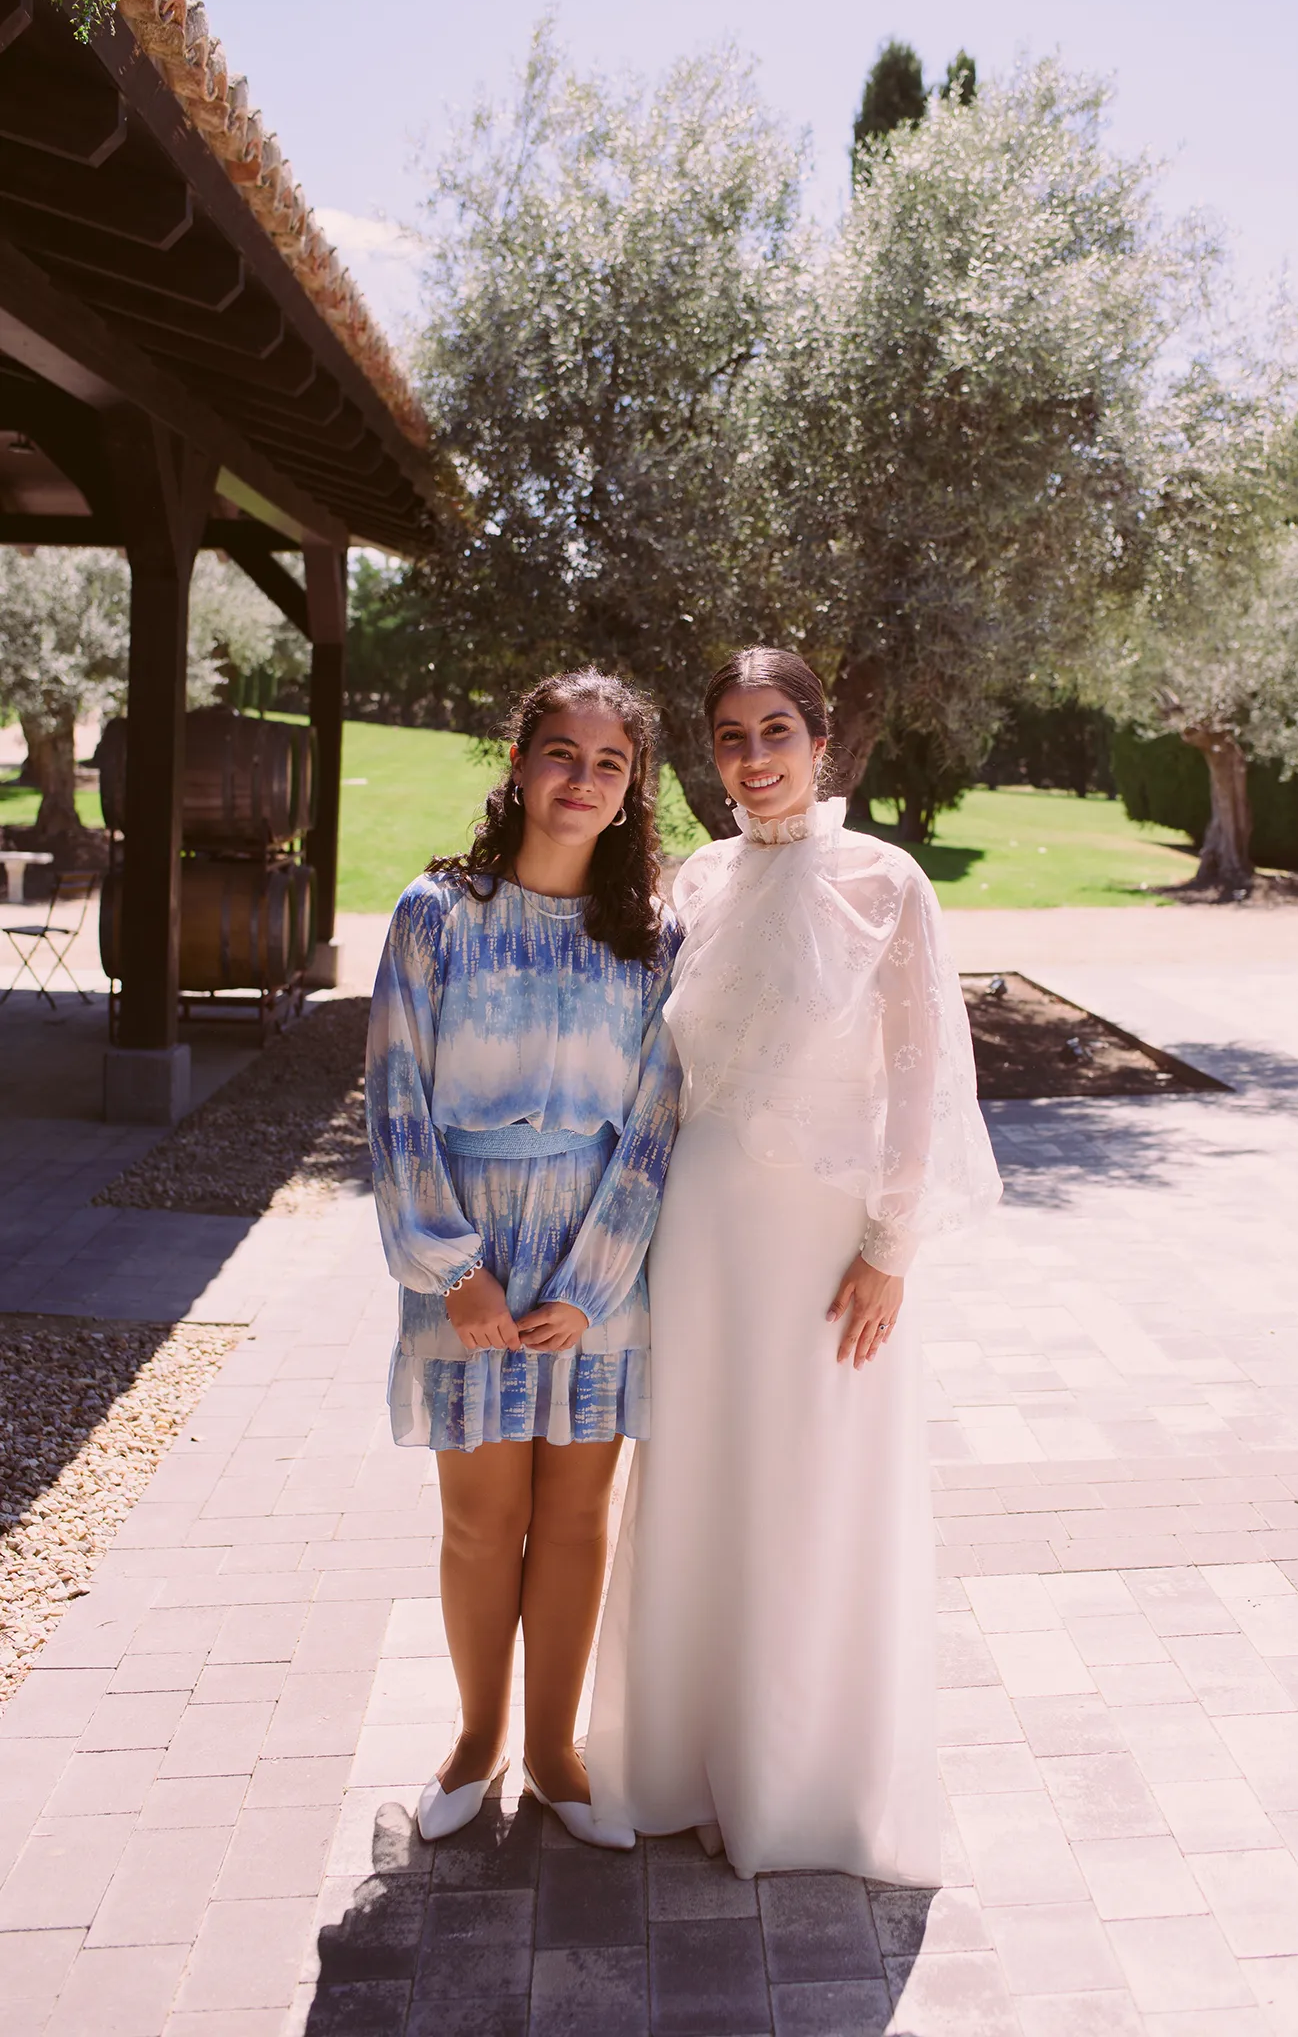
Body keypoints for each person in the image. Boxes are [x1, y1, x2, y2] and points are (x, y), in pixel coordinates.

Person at [587, 646, 1001, 1883]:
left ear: (822, 742)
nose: (753, 756)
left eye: (776, 730)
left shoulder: (885, 880)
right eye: (730, 735)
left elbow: (920, 1075)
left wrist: (890, 1244)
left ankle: (802, 1780)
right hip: (702, 1227)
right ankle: (680, 1756)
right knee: (700, 1473)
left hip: (827, 1238)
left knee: (815, 1481)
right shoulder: (699, 879)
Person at [367, 667, 681, 1848]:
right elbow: (395, 1097)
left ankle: (555, 1750)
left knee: (579, 1515)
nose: (581, 779)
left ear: (631, 788)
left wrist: (594, 1283)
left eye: (609, 763)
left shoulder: (652, 935)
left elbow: (656, 1117)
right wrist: (455, 1269)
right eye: (561, 752)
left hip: (596, 1255)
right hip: (467, 1251)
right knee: (479, 1517)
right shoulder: (436, 913)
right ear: (517, 760)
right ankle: (475, 1738)